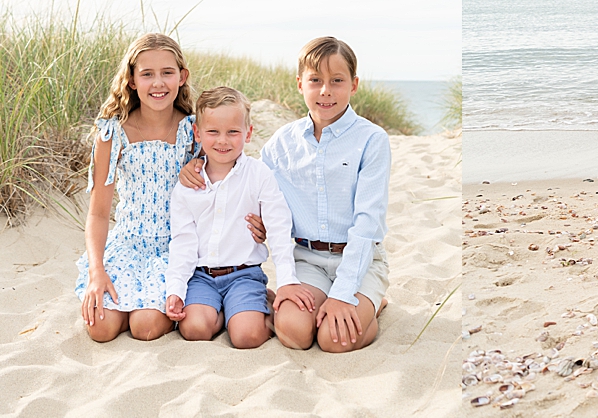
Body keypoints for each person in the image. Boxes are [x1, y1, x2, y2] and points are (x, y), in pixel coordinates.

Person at [259, 37, 391, 352]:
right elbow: (252, 188)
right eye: (315, 80)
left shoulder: (372, 140)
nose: (325, 91)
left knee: (334, 339)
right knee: (294, 333)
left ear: (354, 84)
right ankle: (335, 305)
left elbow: (367, 223)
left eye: (337, 81)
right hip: (308, 260)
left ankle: (374, 303)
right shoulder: (282, 142)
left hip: (360, 259)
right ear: (300, 84)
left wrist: (343, 295)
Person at [164, 86, 308, 349]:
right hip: (201, 277)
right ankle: (227, 312)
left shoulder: (259, 174)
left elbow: (278, 228)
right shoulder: (187, 185)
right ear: (198, 133)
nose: (223, 141)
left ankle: (255, 304)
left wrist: (287, 279)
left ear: (248, 133)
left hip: (244, 274)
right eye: (213, 132)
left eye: (233, 132)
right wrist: (176, 289)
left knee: (246, 337)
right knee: (194, 329)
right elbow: (183, 242)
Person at [75, 33, 196, 342]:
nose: (158, 83)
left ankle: (143, 310)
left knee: (145, 327)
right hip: (127, 246)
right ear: (131, 80)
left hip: (173, 249)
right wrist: (96, 271)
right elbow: (98, 213)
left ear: (182, 77)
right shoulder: (113, 133)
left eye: (167, 72)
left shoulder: (193, 131)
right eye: (147, 74)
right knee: (100, 328)